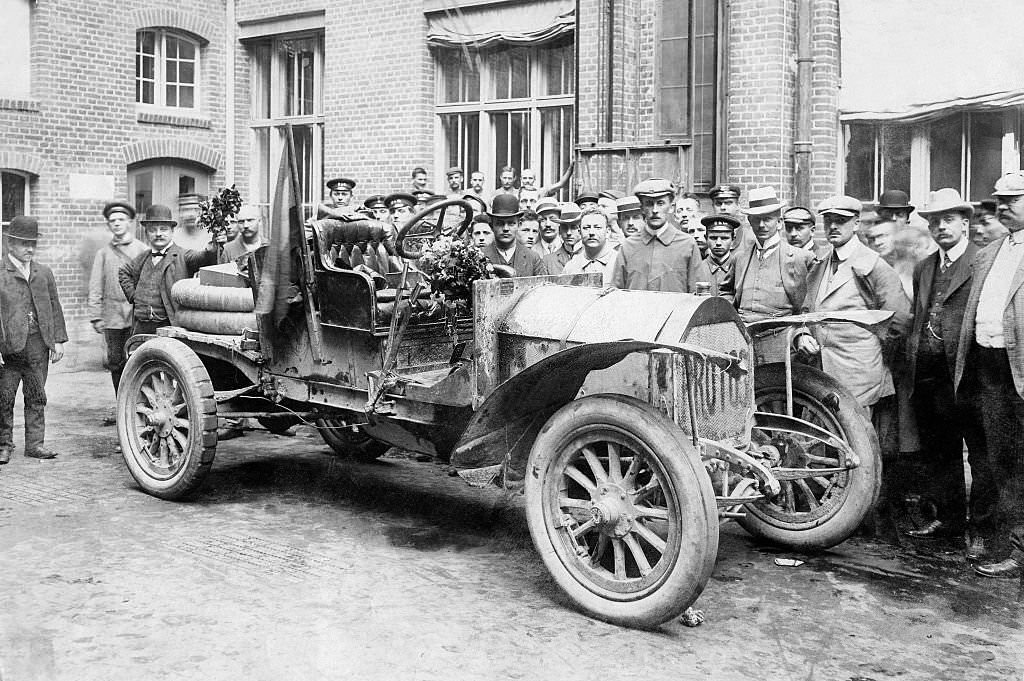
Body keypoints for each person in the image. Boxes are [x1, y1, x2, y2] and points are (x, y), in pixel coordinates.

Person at [795, 195, 912, 528]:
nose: (833, 226)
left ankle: (861, 516)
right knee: (825, 440)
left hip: (858, 371)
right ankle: (831, 515)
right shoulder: (820, 265)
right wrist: (803, 335)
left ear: (856, 224)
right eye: (828, 219)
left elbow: (899, 319)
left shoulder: (872, 265)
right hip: (821, 370)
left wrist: (871, 350)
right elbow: (806, 311)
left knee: (858, 444)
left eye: (841, 220)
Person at [901, 189, 991, 560]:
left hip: (968, 373)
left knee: (980, 456)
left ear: (965, 223)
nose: (940, 226)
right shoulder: (925, 266)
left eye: (948, 219)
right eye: (934, 221)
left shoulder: (982, 261)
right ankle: (949, 520)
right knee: (939, 452)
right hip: (930, 373)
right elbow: (917, 318)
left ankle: (982, 531)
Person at [955, 171, 1024, 578]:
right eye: (999, 199)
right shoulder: (992, 251)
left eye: (1013, 199)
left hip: (1020, 372)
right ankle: (1006, 542)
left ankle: (1015, 548)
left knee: (1018, 464)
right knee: (997, 461)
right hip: (990, 367)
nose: (1002, 206)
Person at [0, 216, 68, 463]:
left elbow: (54, 306)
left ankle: (35, 445)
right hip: (8, 348)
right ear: (10, 245)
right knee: (4, 398)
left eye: (33, 244)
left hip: (38, 345)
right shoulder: (1, 273)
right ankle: (4, 445)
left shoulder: (43, 273)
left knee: (36, 395)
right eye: (23, 243)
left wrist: (58, 340)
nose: (29, 249)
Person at [118, 204, 224, 336]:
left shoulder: (183, 255)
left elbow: (203, 258)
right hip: (141, 326)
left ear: (172, 231)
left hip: (169, 326)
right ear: (146, 233)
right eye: (152, 230)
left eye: (163, 229)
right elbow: (123, 272)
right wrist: (134, 296)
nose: (158, 234)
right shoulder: (143, 258)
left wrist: (213, 248)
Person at [88, 201, 148, 410]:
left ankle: (141, 408)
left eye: (121, 220)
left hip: (136, 316)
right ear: (108, 225)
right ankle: (123, 406)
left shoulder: (143, 250)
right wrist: (96, 316)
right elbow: (96, 286)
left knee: (139, 360)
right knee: (116, 364)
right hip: (112, 317)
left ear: (130, 222)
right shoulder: (103, 254)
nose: (116, 224)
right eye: (112, 221)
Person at [611, 178, 710, 293]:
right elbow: (616, 294)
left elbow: (697, 294)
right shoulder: (628, 246)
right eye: (649, 204)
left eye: (660, 203)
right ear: (641, 208)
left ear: (672, 207)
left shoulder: (687, 244)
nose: (654, 210)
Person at [732, 187, 814, 324]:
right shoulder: (740, 258)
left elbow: (809, 304)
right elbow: (726, 292)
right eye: (756, 220)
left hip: (781, 334)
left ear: (780, 222)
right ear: (750, 221)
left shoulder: (801, 258)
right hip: (743, 334)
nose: (761, 225)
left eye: (767, 219)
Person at [480, 193, 548, 277]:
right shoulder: (480, 257)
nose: (505, 228)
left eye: (511, 223)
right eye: (500, 223)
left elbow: (543, 288)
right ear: (491, 226)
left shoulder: (533, 258)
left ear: (518, 225)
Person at [562, 206, 618, 284]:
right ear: (579, 232)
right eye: (586, 228)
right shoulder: (571, 267)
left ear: (608, 232)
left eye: (597, 227)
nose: (591, 232)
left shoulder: (619, 263)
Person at [702, 215, 739, 302]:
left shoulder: (740, 268)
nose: (718, 243)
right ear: (706, 238)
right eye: (713, 238)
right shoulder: (698, 268)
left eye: (724, 238)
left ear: (733, 240)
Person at [710, 183, 754, 251]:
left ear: (737, 205)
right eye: (718, 203)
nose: (723, 207)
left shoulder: (750, 237)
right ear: (713, 206)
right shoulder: (705, 235)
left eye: (728, 203)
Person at [543, 203, 583, 274]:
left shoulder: (590, 256)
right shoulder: (548, 261)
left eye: (573, 227)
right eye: (564, 227)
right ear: (560, 229)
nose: (568, 233)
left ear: (581, 228)